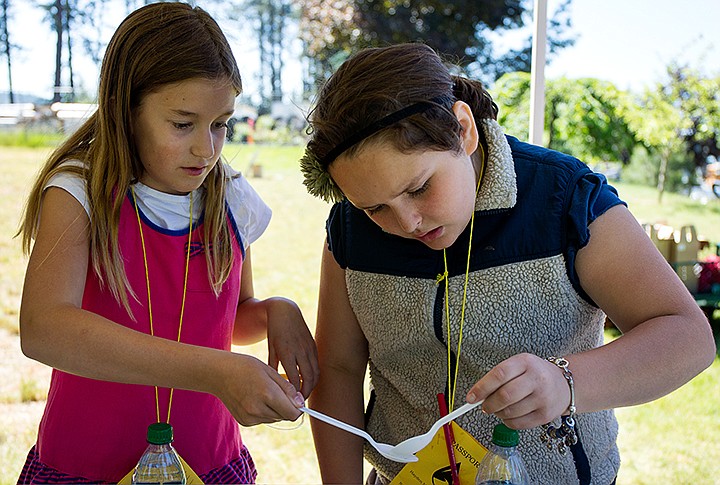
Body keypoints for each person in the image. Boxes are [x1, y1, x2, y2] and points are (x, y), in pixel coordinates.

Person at [300, 43, 716, 485]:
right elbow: (340, 369)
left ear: (463, 130)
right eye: (375, 208)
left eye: (419, 188)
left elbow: (687, 336)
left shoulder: (565, 200)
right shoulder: (349, 227)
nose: (406, 222)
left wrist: (566, 383)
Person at [16, 3, 318, 483]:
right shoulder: (78, 191)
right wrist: (215, 372)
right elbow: (44, 328)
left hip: (209, 463)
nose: (207, 148)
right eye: (183, 124)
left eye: (221, 123)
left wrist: (275, 309)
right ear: (126, 108)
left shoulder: (231, 196)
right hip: (86, 466)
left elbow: (230, 319)